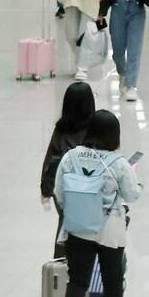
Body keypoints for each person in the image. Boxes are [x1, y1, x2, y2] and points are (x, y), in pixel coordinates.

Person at [53, 110, 142, 297]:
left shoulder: (71, 157)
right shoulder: (120, 163)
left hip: (78, 227)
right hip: (110, 229)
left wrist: (75, 212)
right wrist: (136, 178)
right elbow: (132, 195)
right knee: (112, 278)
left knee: (77, 278)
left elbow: (59, 192)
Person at [40, 81, 96, 254]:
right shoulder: (96, 129)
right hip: (90, 190)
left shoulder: (61, 130)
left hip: (63, 188)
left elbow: (50, 160)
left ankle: (61, 261)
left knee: (65, 224)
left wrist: (45, 188)